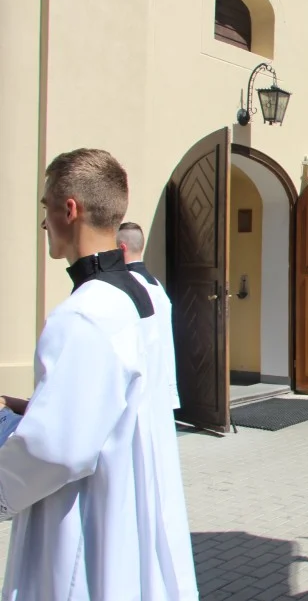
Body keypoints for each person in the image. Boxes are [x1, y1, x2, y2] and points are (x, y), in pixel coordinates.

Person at [0, 149, 198, 599]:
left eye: (45, 208)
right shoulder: (142, 294)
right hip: (130, 506)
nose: (44, 223)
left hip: (85, 525)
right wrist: (32, 408)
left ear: (69, 209)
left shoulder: (83, 314)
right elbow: (116, 405)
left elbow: (55, 453)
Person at [117, 221, 181, 409]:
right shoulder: (156, 285)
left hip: (141, 383)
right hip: (161, 375)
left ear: (121, 249)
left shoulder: (129, 285)